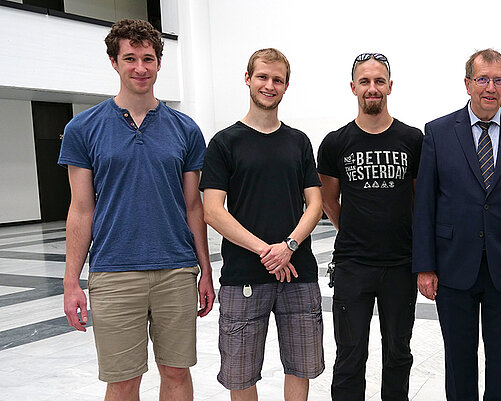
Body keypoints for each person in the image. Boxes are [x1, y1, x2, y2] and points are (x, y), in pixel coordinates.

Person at [59, 18, 214, 400]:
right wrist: (71, 281)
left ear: (160, 63)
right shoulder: (84, 128)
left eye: (148, 58)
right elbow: (81, 209)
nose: (140, 68)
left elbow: (193, 205)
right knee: (123, 380)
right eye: (130, 58)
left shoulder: (186, 129)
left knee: (177, 373)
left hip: (176, 269)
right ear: (114, 62)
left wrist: (206, 269)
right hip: (114, 272)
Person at [412, 48, 501, 400]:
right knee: (459, 360)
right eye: (483, 79)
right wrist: (425, 266)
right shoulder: (439, 132)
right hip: (453, 264)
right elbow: (424, 203)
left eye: (498, 80)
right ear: (467, 83)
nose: (491, 87)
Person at [201, 48, 325, 401]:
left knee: (301, 367)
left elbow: (315, 205)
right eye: (262, 77)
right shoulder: (225, 142)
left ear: (286, 86)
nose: (269, 85)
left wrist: (289, 247)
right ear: (248, 79)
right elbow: (213, 211)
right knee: (240, 375)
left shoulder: (298, 142)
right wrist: (267, 251)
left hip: (298, 273)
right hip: (244, 276)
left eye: (277, 80)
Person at [317, 52, 423, 401]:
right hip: (353, 265)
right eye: (365, 81)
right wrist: (350, 229)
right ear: (353, 87)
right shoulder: (335, 142)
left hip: (400, 264)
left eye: (379, 81)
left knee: (398, 353)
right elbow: (328, 200)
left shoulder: (412, 140)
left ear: (390, 86)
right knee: (349, 357)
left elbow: (418, 199)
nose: (372, 88)